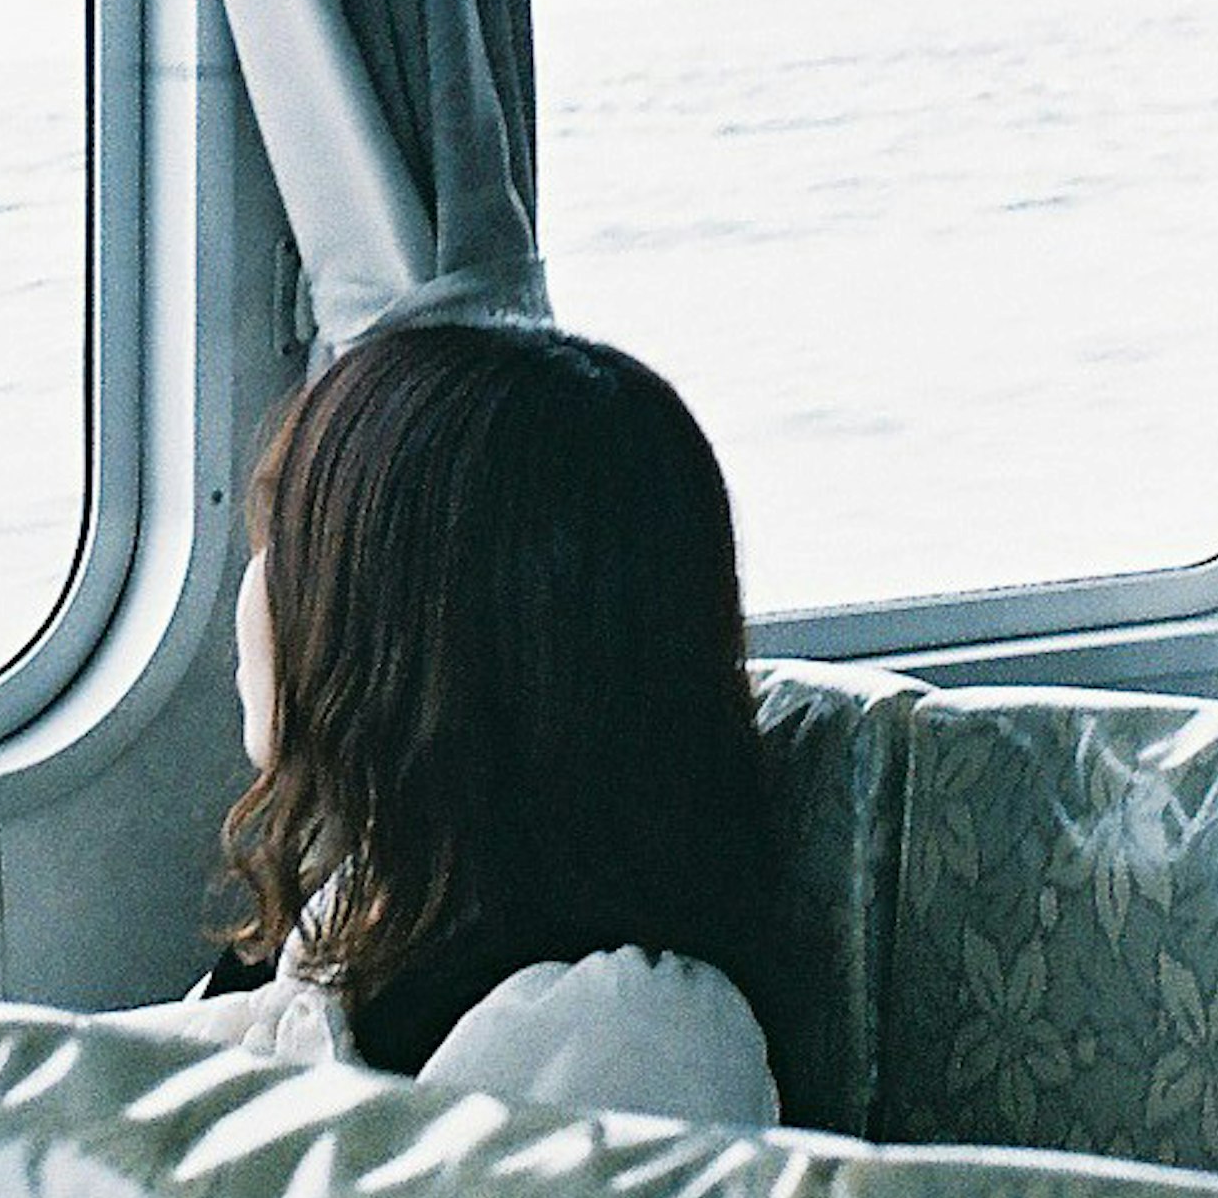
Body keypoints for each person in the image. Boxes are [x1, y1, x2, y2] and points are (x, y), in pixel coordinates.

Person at [150, 316, 783, 1126]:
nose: (257, 587)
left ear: (411, 631)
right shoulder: (358, 907)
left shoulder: (630, 1033)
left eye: (296, 543)